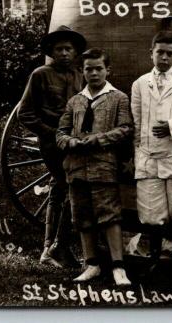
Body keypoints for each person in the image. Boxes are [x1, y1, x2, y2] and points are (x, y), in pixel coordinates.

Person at [56, 48, 134, 285]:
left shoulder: (119, 98)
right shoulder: (75, 101)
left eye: (98, 68)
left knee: (109, 214)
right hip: (77, 168)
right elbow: (60, 133)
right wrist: (71, 142)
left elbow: (126, 129)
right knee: (82, 216)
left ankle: (118, 267)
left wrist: (99, 139)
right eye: (88, 69)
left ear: (107, 70)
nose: (93, 73)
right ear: (82, 71)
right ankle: (92, 264)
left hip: (103, 166)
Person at [17, 25, 86, 268]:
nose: (64, 53)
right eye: (59, 49)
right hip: (52, 144)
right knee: (71, 187)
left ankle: (49, 248)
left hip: (75, 143)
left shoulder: (80, 76)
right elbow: (24, 113)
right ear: (51, 52)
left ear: (75, 52)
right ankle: (61, 245)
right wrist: (51, 133)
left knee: (58, 189)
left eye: (68, 49)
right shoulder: (40, 75)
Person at [131, 31, 172, 274]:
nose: (164, 57)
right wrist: (138, 153)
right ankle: (155, 257)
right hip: (148, 157)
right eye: (160, 52)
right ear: (151, 53)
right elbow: (137, 124)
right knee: (151, 214)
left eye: (170, 53)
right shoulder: (140, 84)